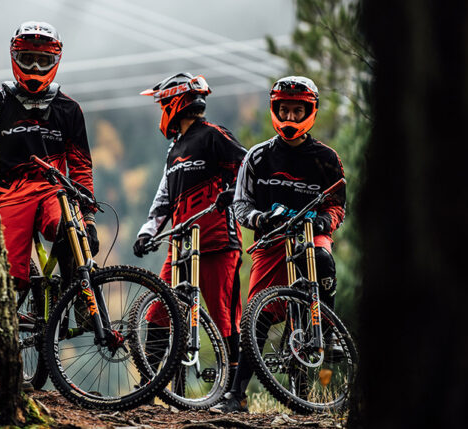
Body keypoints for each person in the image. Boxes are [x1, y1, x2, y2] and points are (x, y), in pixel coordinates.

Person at [212, 76, 347, 412]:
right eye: (284, 110)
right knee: (256, 317)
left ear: (310, 112)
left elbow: (338, 204)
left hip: (310, 233)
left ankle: (327, 333)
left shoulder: (327, 159)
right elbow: (241, 204)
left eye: (297, 111)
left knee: (322, 260)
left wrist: (324, 221)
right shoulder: (258, 157)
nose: (289, 117)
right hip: (271, 241)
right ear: (275, 109)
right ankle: (236, 395)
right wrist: (260, 219)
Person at [133, 72, 248, 387]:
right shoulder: (174, 149)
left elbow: (248, 167)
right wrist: (147, 231)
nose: (162, 111)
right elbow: (164, 197)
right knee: (158, 311)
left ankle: (234, 393)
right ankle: (147, 384)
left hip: (217, 241)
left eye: (163, 105)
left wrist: (234, 192)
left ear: (175, 104)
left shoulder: (213, 135)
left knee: (224, 317)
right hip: (182, 245)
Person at [0, 21, 98, 289]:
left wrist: (89, 218)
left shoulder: (69, 109)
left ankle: (78, 294)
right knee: (7, 280)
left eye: (43, 61)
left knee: (73, 232)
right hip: (9, 195)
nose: (35, 68)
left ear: (55, 61)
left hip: (54, 192)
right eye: (28, 59)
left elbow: (81, 167)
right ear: (15, 58)